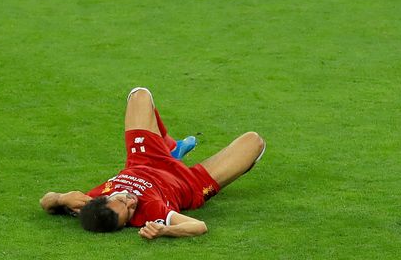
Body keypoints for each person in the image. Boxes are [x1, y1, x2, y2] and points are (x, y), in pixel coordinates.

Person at [40, 87, 266, 238]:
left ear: (101, 198)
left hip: (145, 158)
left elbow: (45, 201)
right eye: (128, 212)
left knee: (139, 94)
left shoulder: (88, 203)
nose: (131, 202)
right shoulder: (150, 212)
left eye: (122, 199)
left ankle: (170, 148)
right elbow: (199, 226)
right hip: (191, 183)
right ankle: (172, 152)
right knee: (254, 142)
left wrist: (61, 198)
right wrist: (165, 231)